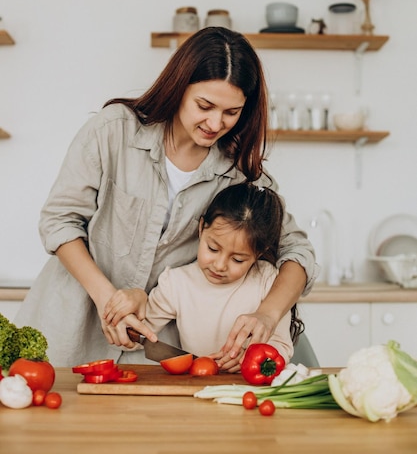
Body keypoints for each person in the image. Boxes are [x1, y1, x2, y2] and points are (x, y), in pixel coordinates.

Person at [15, 26, 317, 366]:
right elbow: (60, 221)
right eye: (205, 105)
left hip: (152, 350)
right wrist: (108, 298)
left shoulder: (238, 174)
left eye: (231, 113)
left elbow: (298, 251)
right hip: (68, 332)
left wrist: (268, 314)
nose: (215, 122)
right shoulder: (113, 131)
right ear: (179, 88)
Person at [105, 183, 304, 372]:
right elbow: (135, 336)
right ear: (201, 228)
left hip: (250, 388)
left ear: (259, 253)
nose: (219, 265)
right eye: (213, 248)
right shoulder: (176, 283)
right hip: (197, 388)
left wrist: (249, 357)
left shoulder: (268, 280)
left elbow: (282, 347)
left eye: (237, 259)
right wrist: (126, 316)